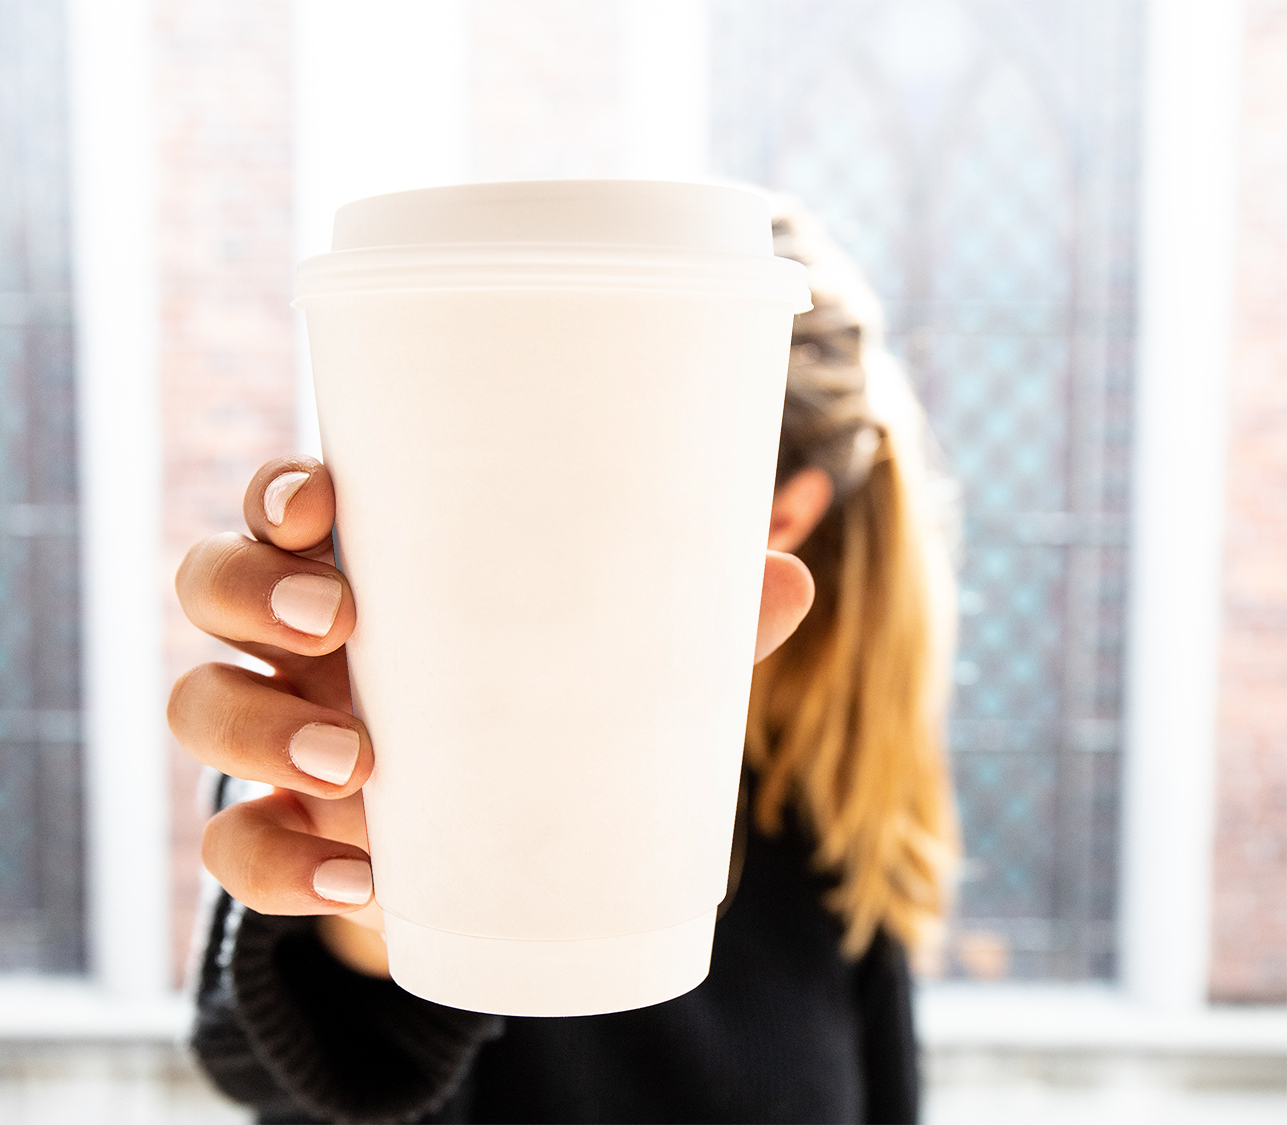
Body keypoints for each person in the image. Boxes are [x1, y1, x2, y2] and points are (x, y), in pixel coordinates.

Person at [169, 197, 959, 1124]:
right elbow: (267, 1060)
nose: (520, 506)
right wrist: (369, 908)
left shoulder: (836, 818)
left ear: (773, 516)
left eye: (581, 448)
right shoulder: (362, 705)